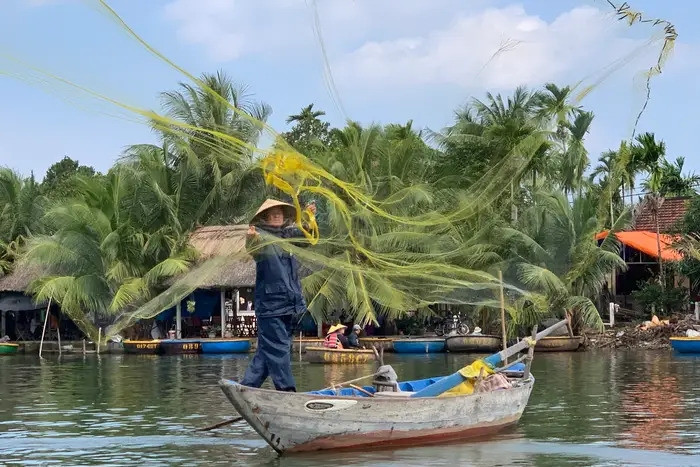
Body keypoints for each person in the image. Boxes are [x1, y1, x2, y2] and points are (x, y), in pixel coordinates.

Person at [240, 198, 316, 392]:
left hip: (290, 303)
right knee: (279, 347)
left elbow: (308, 236)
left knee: (269, 350)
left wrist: (310, 217)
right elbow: (253, 247)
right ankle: (286, 391)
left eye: (280, 213)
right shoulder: (261, 237)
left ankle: (248, 387)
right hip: (270, 306)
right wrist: (251, 238)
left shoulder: (288, 236)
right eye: (272, 214)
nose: (277, 216)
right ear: (265, 218)